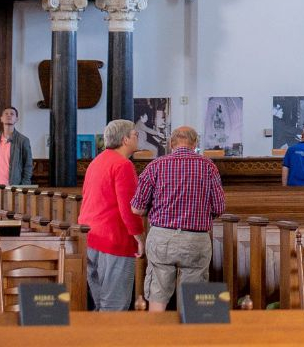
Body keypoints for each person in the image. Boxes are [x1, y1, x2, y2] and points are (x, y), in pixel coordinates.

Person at [130, 125, 224, 312]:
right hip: (196, 238)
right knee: (193, 296)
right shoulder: (208, 166)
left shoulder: (155, 166)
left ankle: (156, 329)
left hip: (162, 237)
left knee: (158, 291)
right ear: (195, 144)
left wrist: (154, 209)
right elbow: (219, 207)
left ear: (171, 144)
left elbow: (136, 208)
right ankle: (188, 330)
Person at [78, 118, 145, 311]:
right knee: (114, 305)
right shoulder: (123, 165)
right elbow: (129, 207)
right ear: (125, 139)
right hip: (114, 239)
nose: (137, 137)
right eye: (135, 134)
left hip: (91, 237)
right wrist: (139, 237)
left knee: (100, 303)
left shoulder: (96, 162)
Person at [0, 106, 33, 186]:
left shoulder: (23, 141)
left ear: (16, 119)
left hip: (14, 187)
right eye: (6, 114)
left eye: (12, 114)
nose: (9, 115)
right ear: (1, 119)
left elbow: (28, 166)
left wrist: (23, 185)